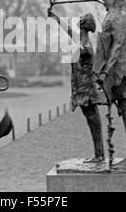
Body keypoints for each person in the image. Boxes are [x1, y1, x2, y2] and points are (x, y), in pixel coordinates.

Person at [74, 0, 126, 170]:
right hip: (114, 70)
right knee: (123, 108)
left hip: (122, 70)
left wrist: (104, 72)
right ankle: (122, 156)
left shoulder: (121, 15)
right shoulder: (111, 6)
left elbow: (118, 46)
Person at [48, 10, 104, 162]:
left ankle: (100, 155)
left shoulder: (85, 45)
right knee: (91, 120)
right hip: (81, 89)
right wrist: (55, 17)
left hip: (86, 90)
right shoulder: (80, 40)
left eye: (81, 19)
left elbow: (85, 55)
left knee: (93, 121)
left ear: (84, 24)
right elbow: (68, 30)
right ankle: (99, 154)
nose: (78, 20)